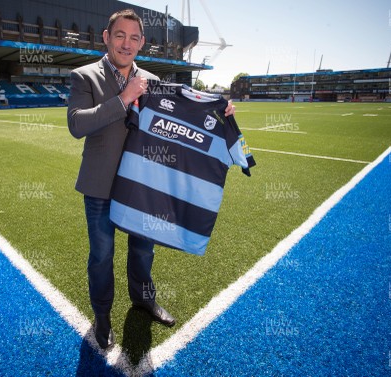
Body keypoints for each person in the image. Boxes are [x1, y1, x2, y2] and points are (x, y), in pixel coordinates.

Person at [67, 9, 235, 350]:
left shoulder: (153, 80)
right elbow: (77, 124)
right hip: (100, 187)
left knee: (144, 250)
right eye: (120, 36)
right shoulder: (84, 76)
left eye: (133, 38)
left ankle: (143, 299)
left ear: (142, 42)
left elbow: (187, 111)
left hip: (143, 185)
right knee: (101, 255)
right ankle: (101, 316)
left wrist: (220, 111)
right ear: (106, 37)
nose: (126, 44)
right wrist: (124, 98)